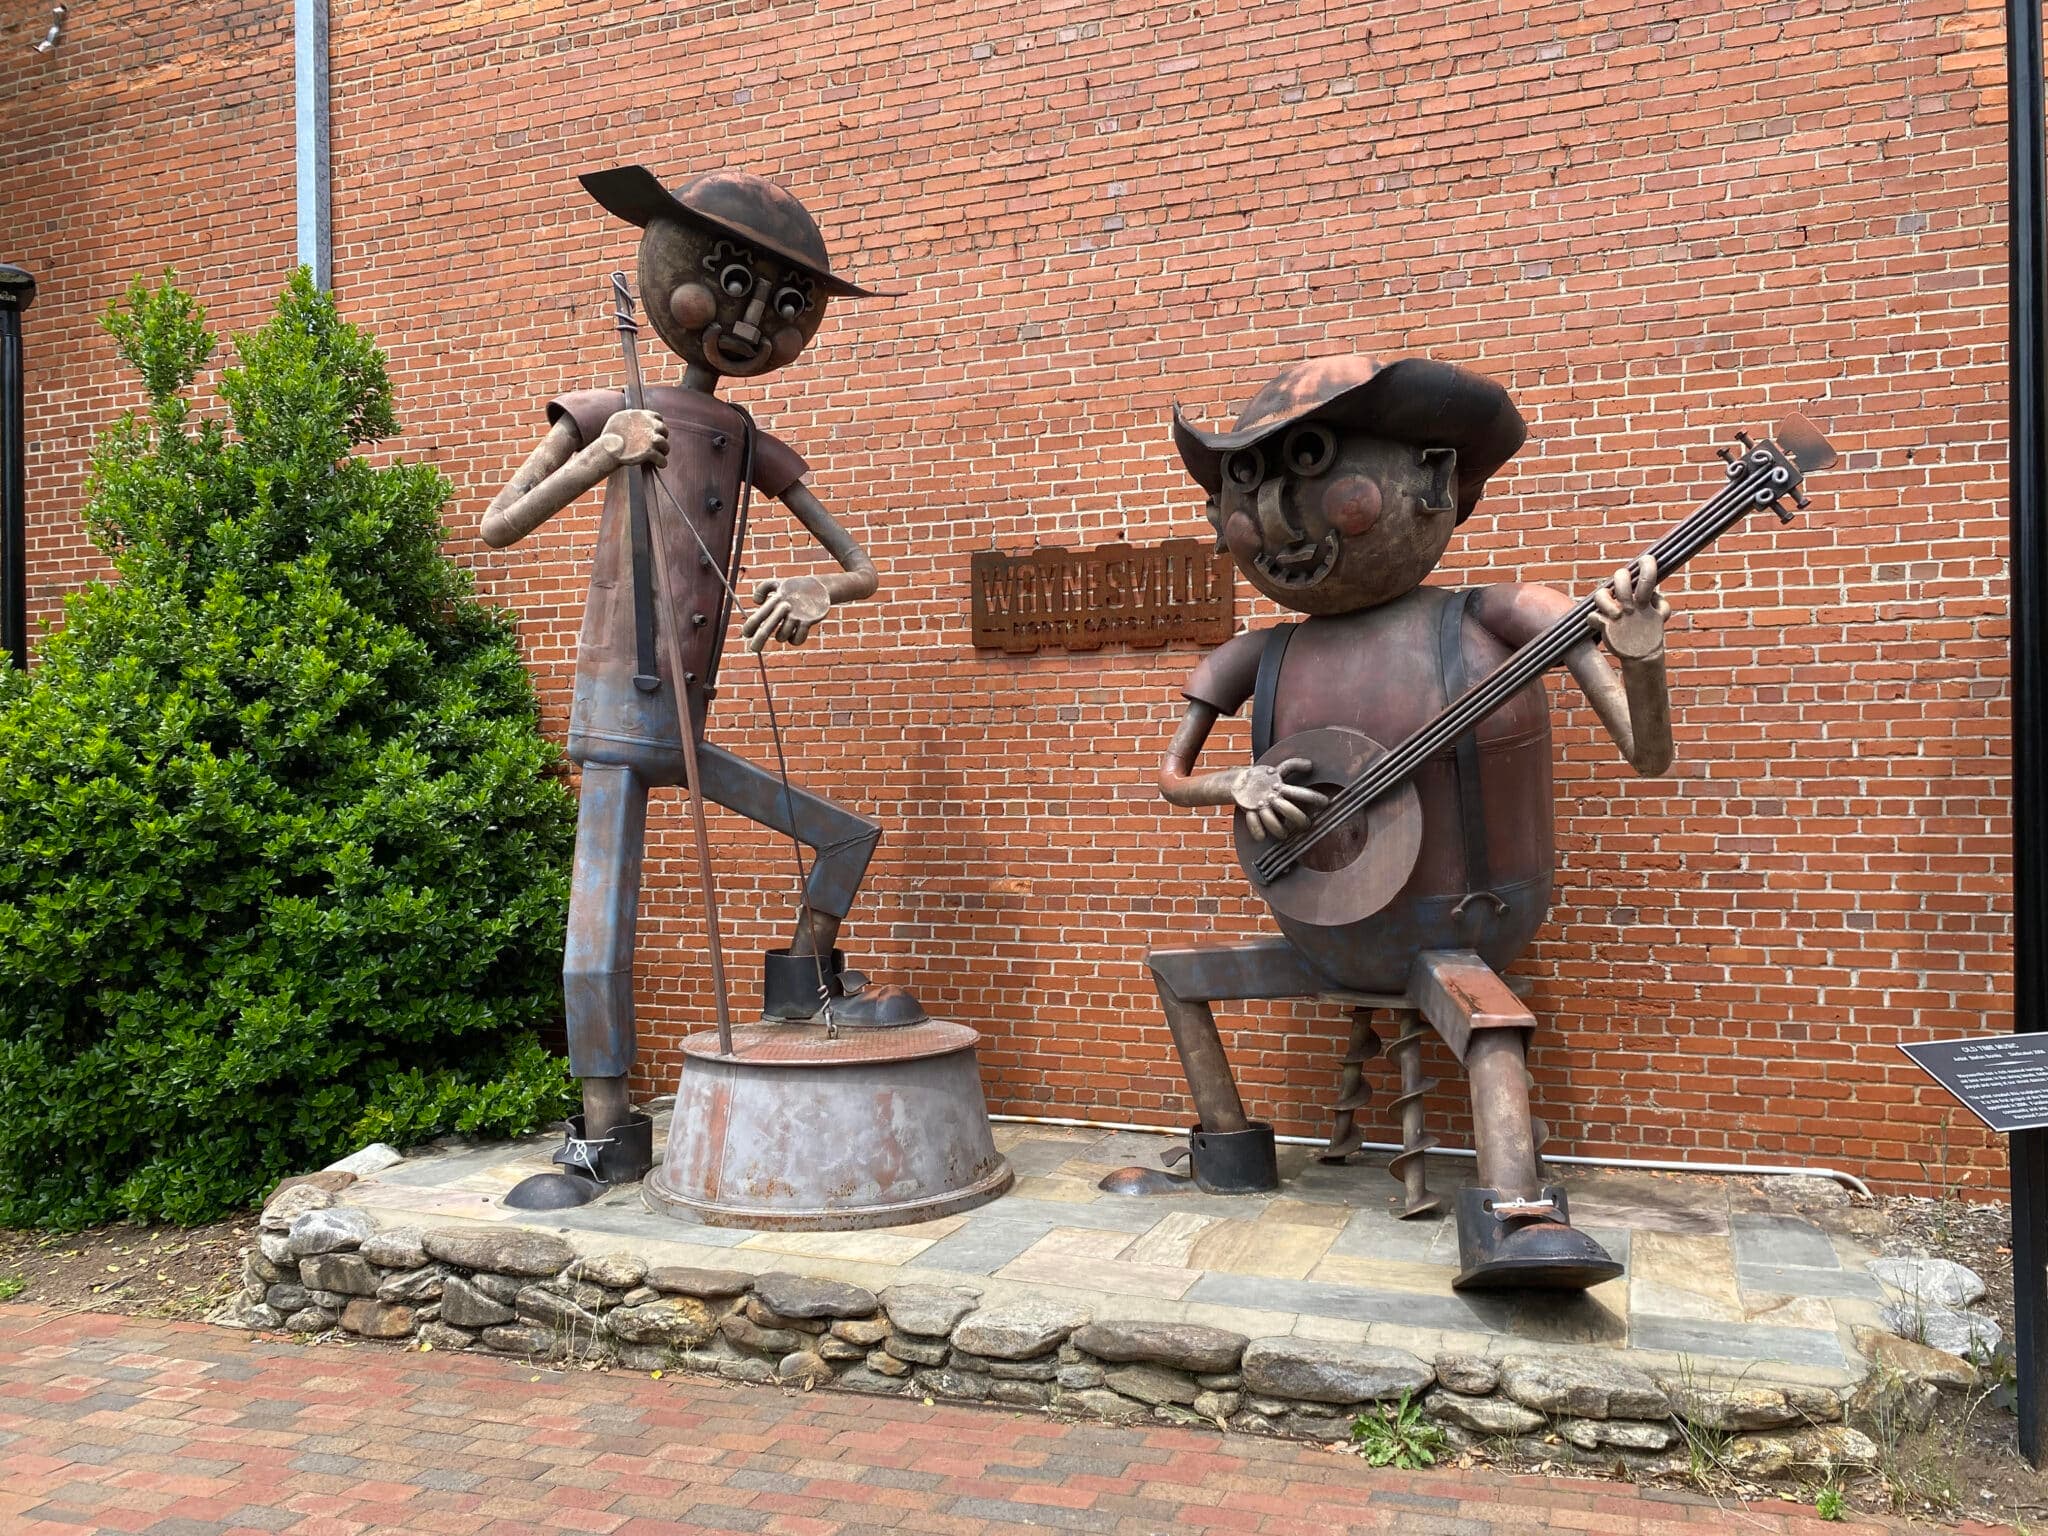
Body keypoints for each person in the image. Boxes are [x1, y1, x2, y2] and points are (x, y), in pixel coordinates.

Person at [1146, 356, 1673, 1289]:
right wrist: (1235, 783)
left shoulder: (1502, 616)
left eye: (1311, 471)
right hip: (1319, 927)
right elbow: (1171, 776)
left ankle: (1513, 1214)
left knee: (1491, 1025)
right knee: (1179, 976)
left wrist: (1641, 660)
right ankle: (1226, 1147)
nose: (1273, 521)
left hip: (1461, 929)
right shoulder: (1257, 655)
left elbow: (1646, 753)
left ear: (1433, 478)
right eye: (1246, 488)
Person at [481, 165, 920, 1201]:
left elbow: (860, 566)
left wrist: (821, 591)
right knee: (593, 944)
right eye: (726, 287)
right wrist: (606, 456)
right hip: (615, 707)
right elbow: (498, 523)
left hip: (685, 716)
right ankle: (603, 1128)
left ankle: (802, 982)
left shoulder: (749, 442)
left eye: (780, 306)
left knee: (845, 835)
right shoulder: (609, 406)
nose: (747, 322)